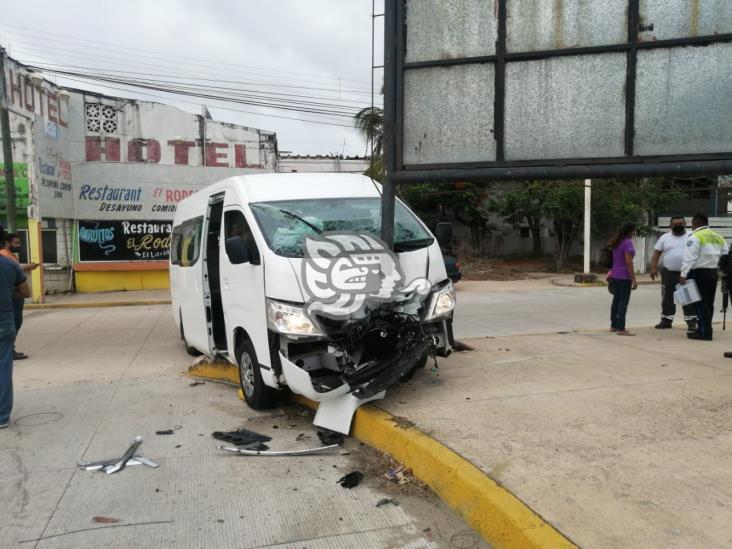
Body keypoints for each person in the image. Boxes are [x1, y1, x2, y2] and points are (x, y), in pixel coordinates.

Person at [0, 224, 32, 428]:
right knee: (3, 368)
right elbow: (26, 292)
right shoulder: (8, 264)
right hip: (3, 323)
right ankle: (2, 416)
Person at [680, 213, 728, 341]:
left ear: (694, 223)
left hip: (698, 273)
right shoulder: (718, 237)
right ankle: (704, 328)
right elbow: (725, 255)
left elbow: (689, 258)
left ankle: (704, 332)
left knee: (699, 303)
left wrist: (683, 274)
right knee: (708, 303)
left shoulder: (695, 236)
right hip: (713, 273)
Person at [649, 216, 697, 332]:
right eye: (675, 224)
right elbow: (657, 253)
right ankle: (666, 321)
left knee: (688, 298)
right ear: (670, 225)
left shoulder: (692, 236)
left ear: (685, 224)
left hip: (687, 273)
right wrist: (653, 268)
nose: (678, 226)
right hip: (669, 273)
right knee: (667, 298)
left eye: (681, 223)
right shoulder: (665, 238)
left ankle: (691, 323)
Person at [0, 233, 39, 360]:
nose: (19, 246)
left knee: (16, 323)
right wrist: (30, 266)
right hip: (13, 296)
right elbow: (16, 268)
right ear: (7, 243)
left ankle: (10, 349)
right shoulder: (5, 256)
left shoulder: (11, 256)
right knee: (12, 325)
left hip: (16, 296)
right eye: (15, 243)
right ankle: (8, 350)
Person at [608, 223, 638, 336]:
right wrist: (634, 279)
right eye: (634, 231)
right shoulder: (627, 243)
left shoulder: (617, 242)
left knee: (616, 300)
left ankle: (614, 325)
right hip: (624, 276)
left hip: (615, 275)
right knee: (623, 302)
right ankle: (621, 328)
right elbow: (628, 262)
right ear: (631, 232)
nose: (635, 233)